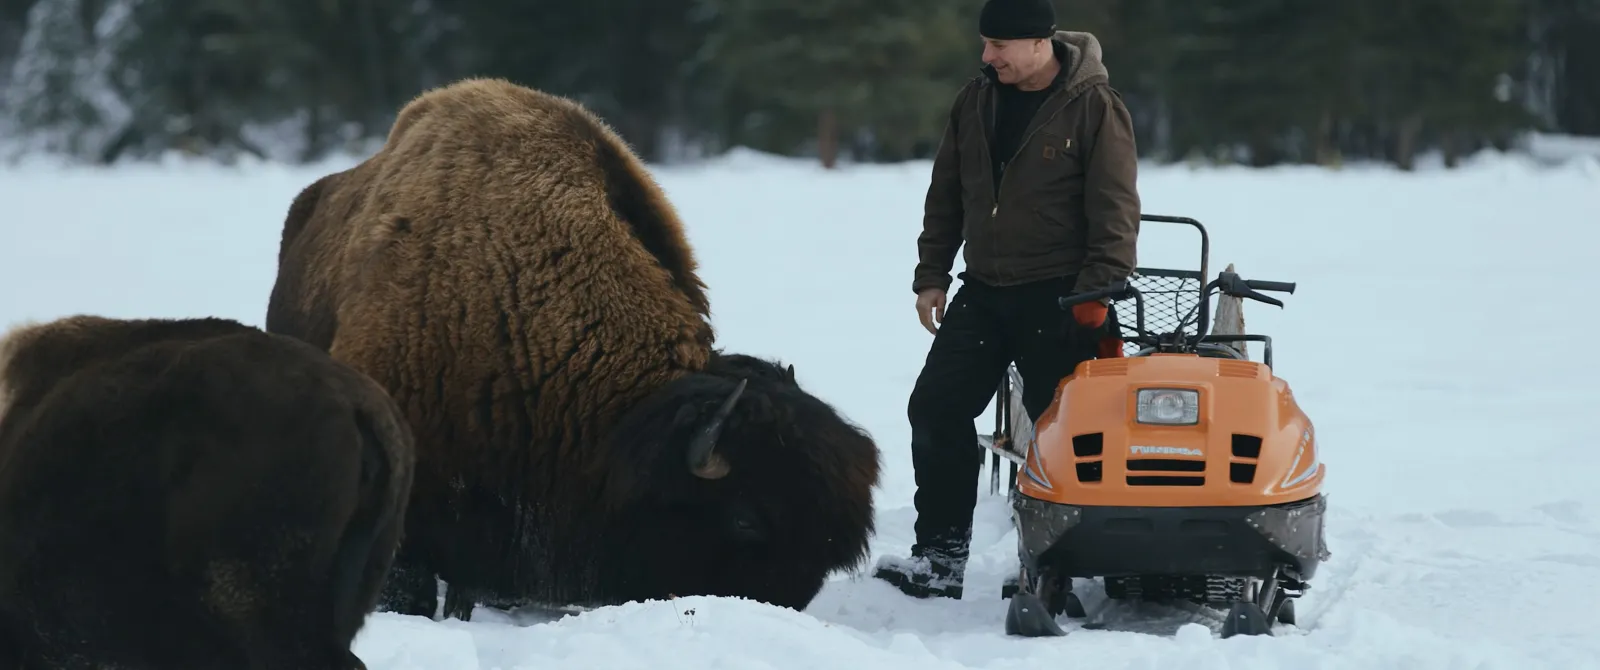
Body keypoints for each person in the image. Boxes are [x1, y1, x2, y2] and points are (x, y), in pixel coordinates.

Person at [872, 0, 1141, 600]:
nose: (988, 56)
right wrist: (931, 274)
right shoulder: (975, 100)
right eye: (985, 44)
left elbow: (1117, 210)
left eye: (999, 46)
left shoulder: (1095, 106)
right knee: (936, 409)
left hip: (1064, 297)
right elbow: (945, 193)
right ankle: (939, 562)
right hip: (985, 292)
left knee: (1062, 436)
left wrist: (1097, 291)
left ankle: (1052, 570)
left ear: (1040, 43)